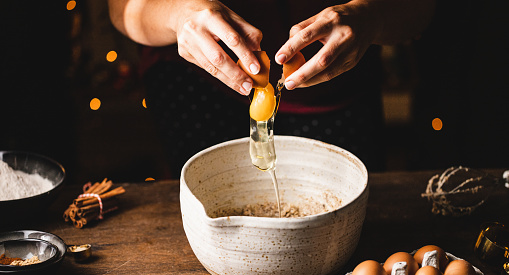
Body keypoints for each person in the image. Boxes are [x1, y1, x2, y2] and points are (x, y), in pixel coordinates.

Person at [108, 0, 436, 177]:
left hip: (336, 89)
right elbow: (121, 9)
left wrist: (373, 15)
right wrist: (177, 15)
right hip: (195, 85)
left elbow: (422, 9)